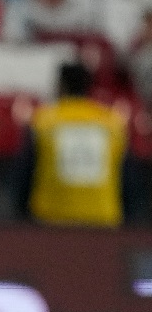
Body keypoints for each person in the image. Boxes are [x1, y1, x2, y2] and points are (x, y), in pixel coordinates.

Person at [15, 62, 132, 227]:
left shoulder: (43, 121)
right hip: (103, 219)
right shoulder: (112, 124)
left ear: (61, 86)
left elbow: (25, 173)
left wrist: (20, 215)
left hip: (50, 218)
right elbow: (127, 177)